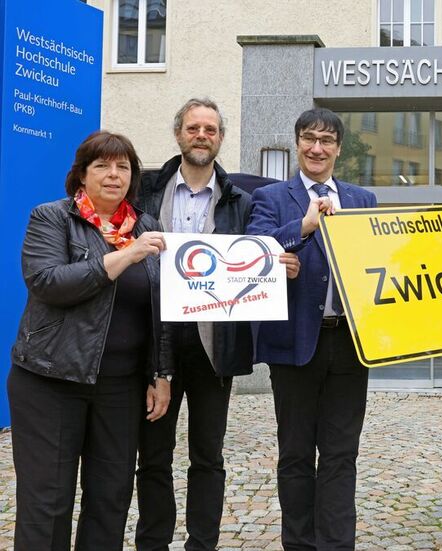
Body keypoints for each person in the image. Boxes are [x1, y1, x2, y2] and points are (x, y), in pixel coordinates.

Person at [133, 98, 299, 550]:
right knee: (152, 457)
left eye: (210, 128)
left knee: (208, 457)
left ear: (220, 138)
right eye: (193, 127)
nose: (201, 135)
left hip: (213, 344)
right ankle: (152, 543)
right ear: (179, 134)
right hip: (153, 341)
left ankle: (201, 545)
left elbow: (257, 257)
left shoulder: (240, 202)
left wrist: (276, 266)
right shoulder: (145, 191)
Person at [8, 131, 173, 550]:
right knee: (48, 502)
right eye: (102, 166)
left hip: (120, 387)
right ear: (81, 174)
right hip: (50, 380)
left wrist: (161, 372)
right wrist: (125, 256)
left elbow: (160, 306)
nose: (113, 175)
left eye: (123, 167)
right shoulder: (51, 217)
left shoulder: (147, 226)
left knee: (110, 499)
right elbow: (48, 282)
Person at [246, 107, 377, 550]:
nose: (317, 148)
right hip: (295, 345)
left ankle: (337, 545)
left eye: (326, 140)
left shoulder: (362, 200)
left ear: (339, 149)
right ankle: (298, 544)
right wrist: (302, 227)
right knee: (297, 454)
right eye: (309, 138)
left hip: (349, 344)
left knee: (342, 454)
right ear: (298, 143)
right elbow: (256, 250)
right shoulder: (270, 197)